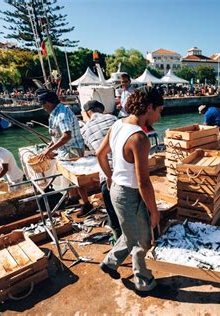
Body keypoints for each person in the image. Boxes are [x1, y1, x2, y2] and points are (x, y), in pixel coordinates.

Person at [96, 86, 164, 292]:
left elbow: (100, 154)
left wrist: (110, 177)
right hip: (129, 194)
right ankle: (143, 282)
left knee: (129, 232)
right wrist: (154, 212)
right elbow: (143, 182)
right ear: (149, 107)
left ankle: (109, 262)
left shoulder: (118, 124)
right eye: (159, 110)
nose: (160, 116)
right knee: (142, 240)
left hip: (117, 189)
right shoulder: (139, 138)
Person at [36, 89, 91, 217]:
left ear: (48, 103)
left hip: (72, 150)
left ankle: (87, 204)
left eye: (42, 104)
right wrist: (48, 147)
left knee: (77, 179)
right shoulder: (55, 113)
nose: (42, 108)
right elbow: (57, 136)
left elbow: (66, 136)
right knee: (68, 177)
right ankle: (73, 198)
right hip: (64, 150)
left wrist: (50, 150)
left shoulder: (61, 114)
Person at [80, 100, 120, 238]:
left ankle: (117, 234)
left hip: (107, 178)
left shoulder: (84, 129)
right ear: (101, 109)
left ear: (87, 112)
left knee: (113, 213)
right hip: (125, 171)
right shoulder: (113, 118)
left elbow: (93, 150)